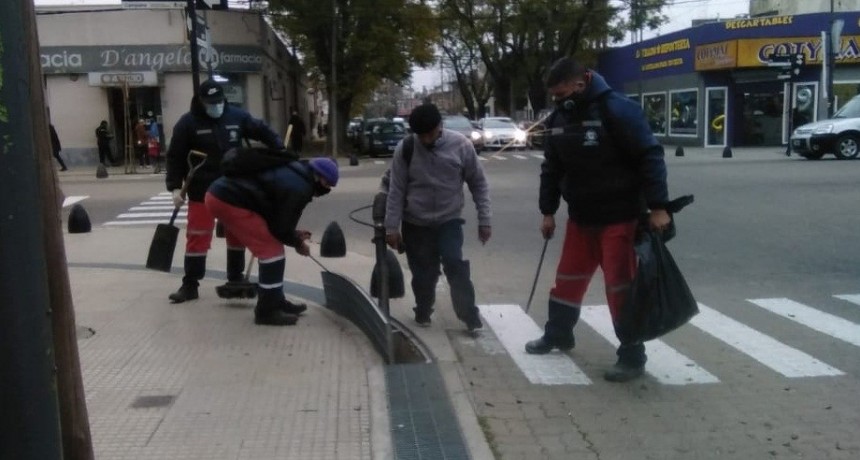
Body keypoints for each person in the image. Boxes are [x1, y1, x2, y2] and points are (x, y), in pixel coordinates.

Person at [524, 57, 671, 383]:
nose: (559, 101)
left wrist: (659, 206)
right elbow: (551, 168)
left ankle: (632, 355)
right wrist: (547, 211)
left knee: (620, 288)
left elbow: (650, 156)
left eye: (562, 94)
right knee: (566, 282)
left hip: (619, 218)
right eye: (555, 97)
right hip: (581, 219)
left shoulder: (618, 110)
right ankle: (559, 334)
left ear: (581, 82)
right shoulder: (561, 117)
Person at [165, 79, 284, 304]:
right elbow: (175, 157)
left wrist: (279, 148)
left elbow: (261, 130)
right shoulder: (187, 123)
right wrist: (174, 187)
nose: (216, 106)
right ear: (201, 101)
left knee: (237, 233)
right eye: (211, 102)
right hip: (202, 188)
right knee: (197, 236)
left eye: (219, 101)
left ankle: (235, 277)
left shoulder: (236, 116)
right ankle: (190, 284)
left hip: (233, 188)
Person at [384, 103, 491, 331]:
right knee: (423, 273)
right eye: (420, 135)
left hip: (448, 221)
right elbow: (396, 190)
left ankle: (469, 316)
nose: (425, 140)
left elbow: (479, 184)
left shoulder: (461, 145)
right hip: (415, 223)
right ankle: (423, 309)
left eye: (430, 134)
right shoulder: (406, 149)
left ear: (440, 127)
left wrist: (485, 220)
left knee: (455, 265)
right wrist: (391, 227)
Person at [205, 155, 338, 325]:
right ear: (318, 176)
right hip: (227, 200)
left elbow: (276, 218)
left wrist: (295, 235)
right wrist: (297, 243)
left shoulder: (295, 171)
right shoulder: (300, 188)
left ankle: (276, 301)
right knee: (272, 251)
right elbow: (281, 229)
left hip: (223, 194)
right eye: (327, 184)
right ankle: (266, 311)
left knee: (272, 245)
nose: (326, 190)